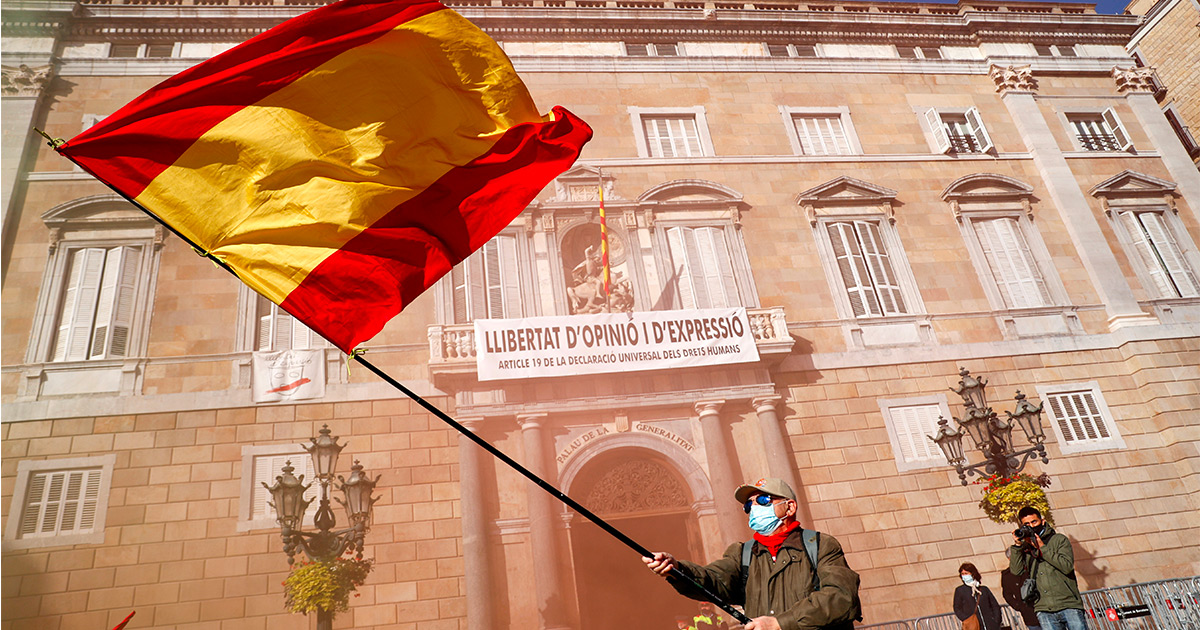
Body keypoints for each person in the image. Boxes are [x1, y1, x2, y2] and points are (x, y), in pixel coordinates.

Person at [643, 478, 862, 630]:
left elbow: (841, 597)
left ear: (790, 507)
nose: (754, 507)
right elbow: (713, 579)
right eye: (749, 504)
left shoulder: (821, 545)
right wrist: (678, 569)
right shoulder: (742, 553)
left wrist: (780, 623)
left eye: (764, 500)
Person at [1008, 506, 1086, 630]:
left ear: (1042, 521)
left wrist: (1042, 547)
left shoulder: (1059, 540)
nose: (1031, 526)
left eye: (1034, 522)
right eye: (1026, 524)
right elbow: (1016, 571)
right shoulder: (1026, 548)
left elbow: (1066, 566)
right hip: (1044, 608)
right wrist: (1018, 546)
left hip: (1069, 604)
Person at [953, 562, 1001, 630]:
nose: (964, 576)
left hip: (990, 625)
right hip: (974, 625)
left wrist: (996, 620)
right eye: (962, 574)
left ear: (973, 574)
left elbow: (994, 605)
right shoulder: (960, 590)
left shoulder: (984, 589)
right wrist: (967, 619)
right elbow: (957, 608)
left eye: (966, 573)